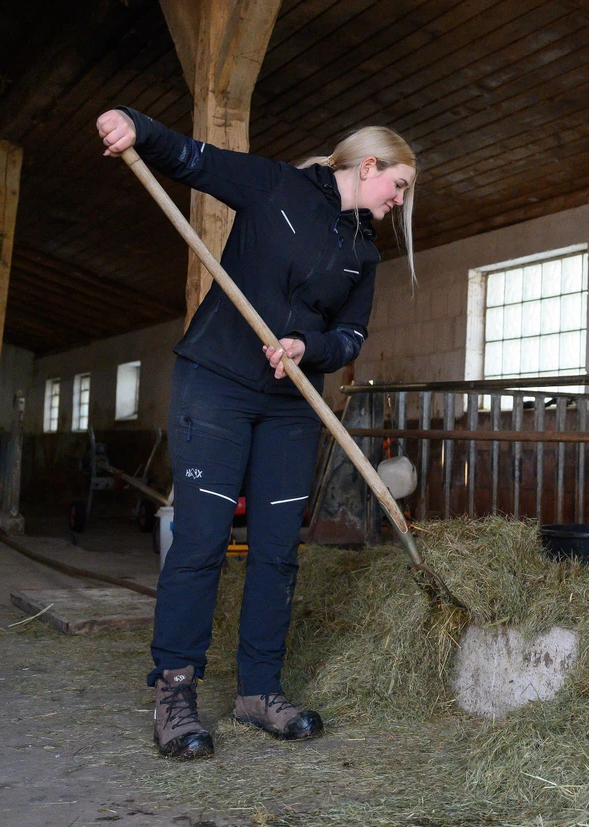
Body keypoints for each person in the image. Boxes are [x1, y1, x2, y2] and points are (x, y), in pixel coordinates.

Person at [96, 107, 417, 760]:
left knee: (276, 549)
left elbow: (350, 336)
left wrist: (307, 346)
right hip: (215, 381)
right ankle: (175, 691)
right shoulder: (276, 187)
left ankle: (259, 690)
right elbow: (194, 159)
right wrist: (135, 126)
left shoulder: (364, 253)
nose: (401, 200)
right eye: (400, 185)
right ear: (369, 166)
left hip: (291, 403)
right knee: (202, 539)